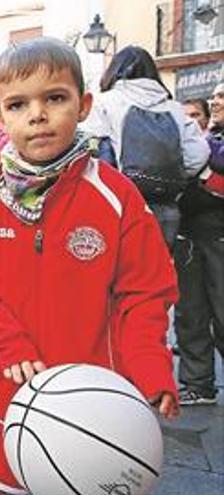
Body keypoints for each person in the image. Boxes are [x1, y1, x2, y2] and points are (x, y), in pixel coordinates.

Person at [0, 38, 179, 495]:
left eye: (54, 97)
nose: (37, 114)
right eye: (17, 104)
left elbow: (146, 291)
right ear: (2, 118)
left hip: (93, 406)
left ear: (83, 105)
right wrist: (6, 342)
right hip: (4, 398)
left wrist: (149, 366)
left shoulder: (116, 196)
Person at [81, 45, 209, 249]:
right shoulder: (175, 109)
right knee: (160, 268)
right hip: (166, 204)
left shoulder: (104, 102)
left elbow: (91, 148)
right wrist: (176, 174)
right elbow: (199, 153)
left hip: (118, 203)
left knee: (118, 269)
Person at [174, 81, 224, 406]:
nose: (190, 120)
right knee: (189, 314)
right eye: (185, 116)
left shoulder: (212, 146)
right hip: (188, 239)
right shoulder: (189, 149)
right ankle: (197, 384)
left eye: (195, 114)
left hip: (218, 237)